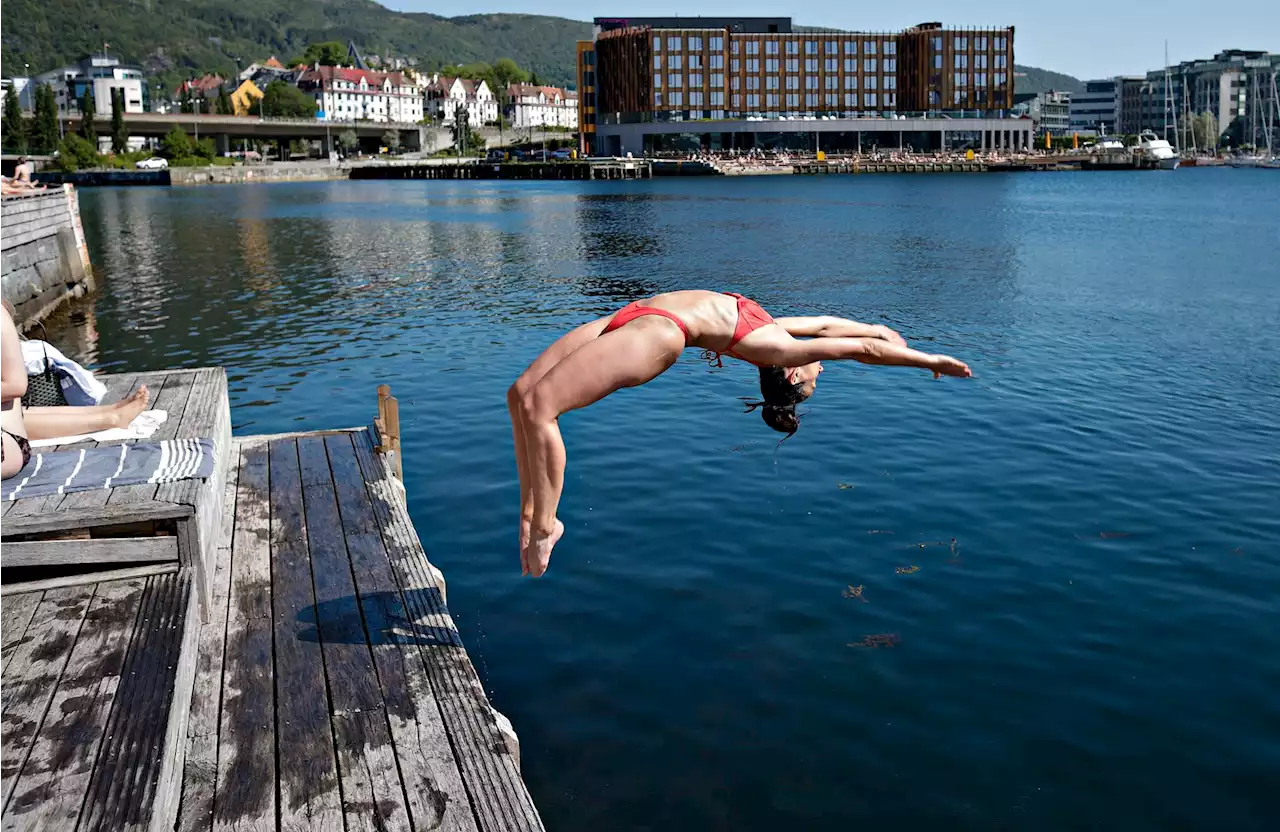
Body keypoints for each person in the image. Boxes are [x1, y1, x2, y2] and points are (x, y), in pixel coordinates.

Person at [507, 290, 972, 578]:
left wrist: (930, 361)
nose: (821, 365)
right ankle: (530, 515)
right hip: (636, 313)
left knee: (543, 409)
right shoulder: (774, 333)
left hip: (661, 331)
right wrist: (879, 328)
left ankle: (548, 526)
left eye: (815, 375)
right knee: (521, 393)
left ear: (790, 375)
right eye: (818, 374)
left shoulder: (779, 346)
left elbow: (862, 352)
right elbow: (834, 328)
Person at [1, 300, 151, 481]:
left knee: (20, 414)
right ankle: (110, 416)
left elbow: (16, 384)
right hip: (11, 435)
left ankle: (111, 415)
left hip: (7, 443)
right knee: (23, 415)